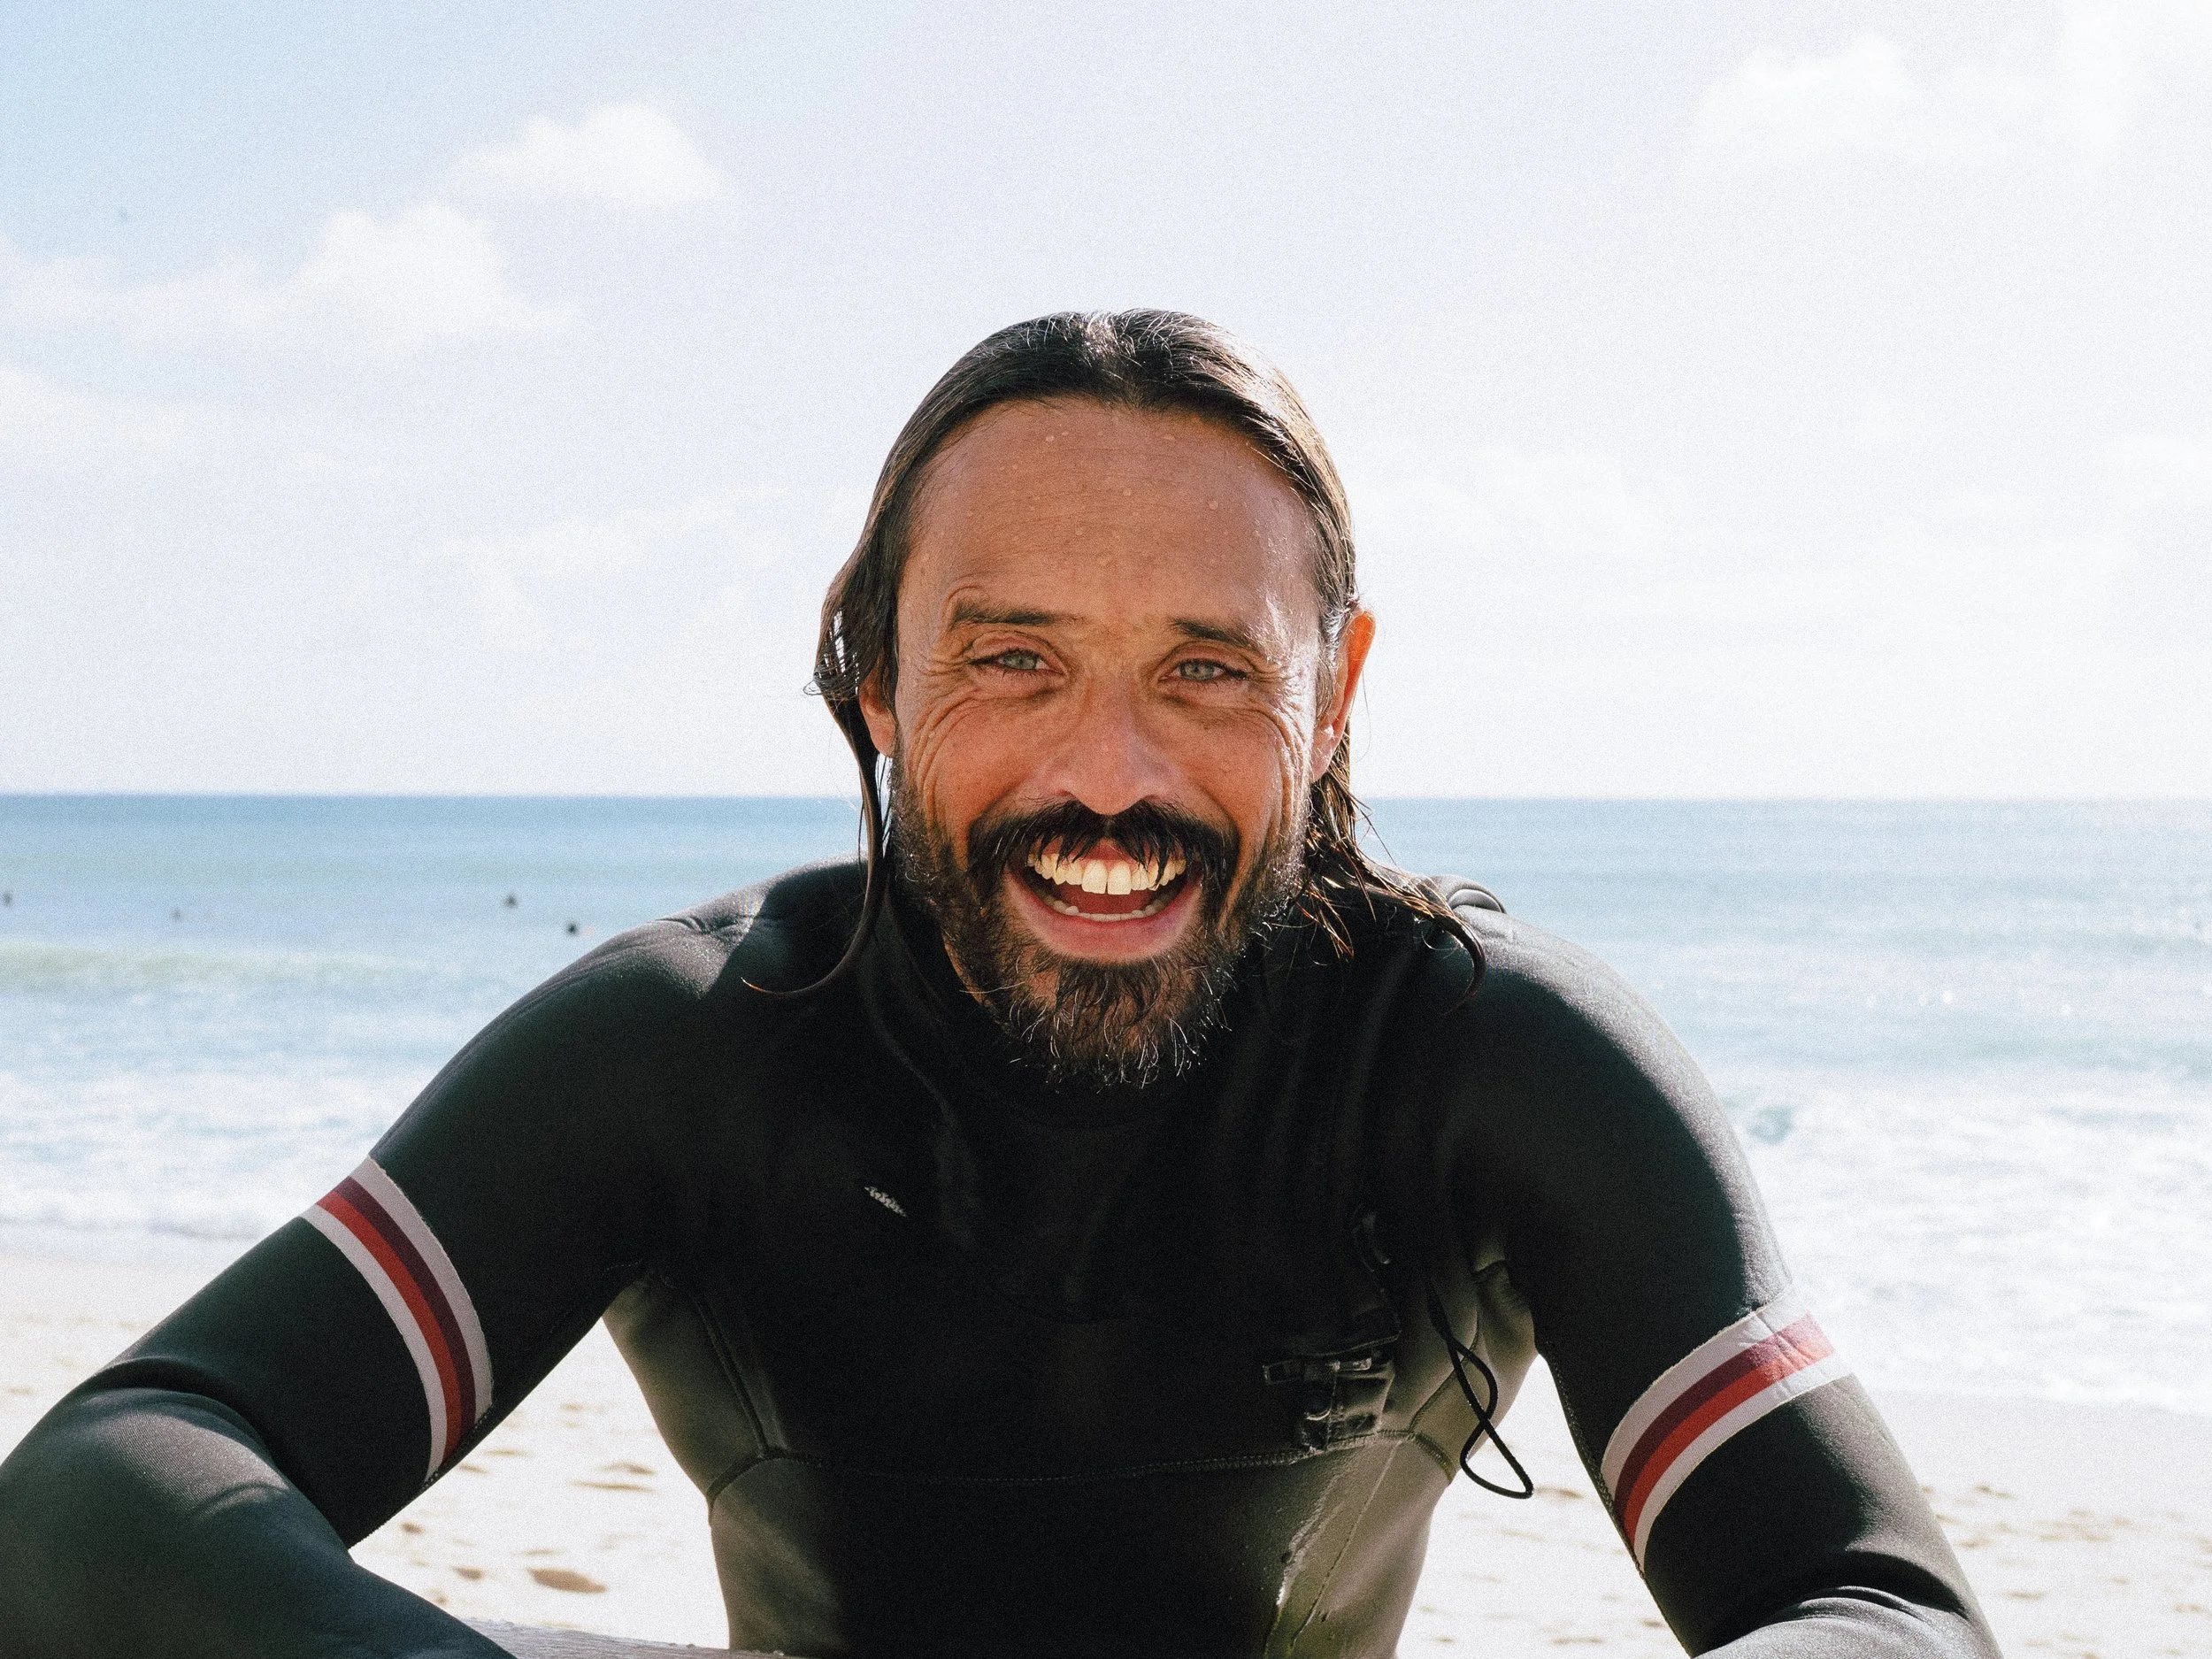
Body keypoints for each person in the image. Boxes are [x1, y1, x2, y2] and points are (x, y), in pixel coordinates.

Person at [0, 311, 1997, 1658]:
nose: (1106, 776)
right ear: (875, 676)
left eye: (1206, 669)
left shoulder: (1487, 1063)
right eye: (1011, 660)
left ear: (1334, 697)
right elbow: (113, 1477)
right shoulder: (696, 1052)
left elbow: (1869, 1601)